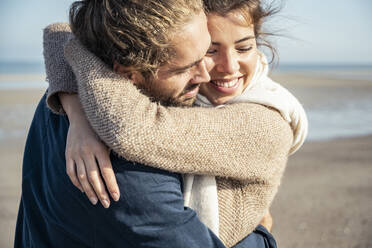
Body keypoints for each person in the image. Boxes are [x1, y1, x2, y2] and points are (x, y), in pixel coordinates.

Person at [15, 0, 294, 247]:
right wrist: (260, 234)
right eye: (187, 66)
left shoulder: (62, 92)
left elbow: (63, 36)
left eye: (244, 47)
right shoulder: (128, 172)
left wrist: (75, 97)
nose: (206, 75)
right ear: (129, 73)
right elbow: (131, 128)